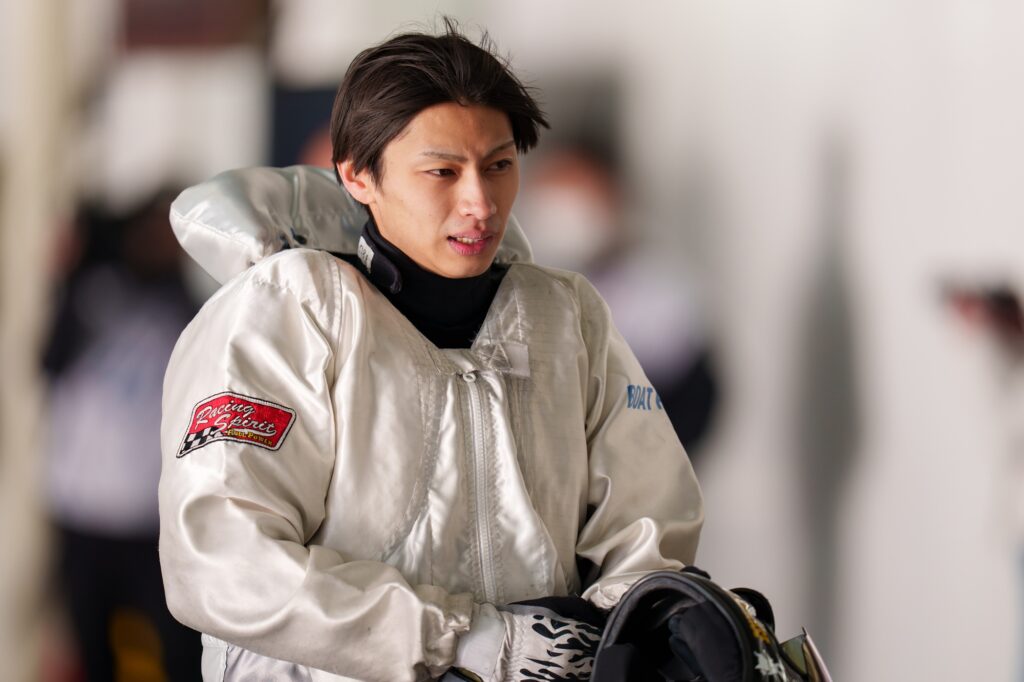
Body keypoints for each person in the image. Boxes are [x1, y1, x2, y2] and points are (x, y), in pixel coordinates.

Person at [159, 21, 703, 681]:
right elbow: (221, 561)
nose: (480, 202)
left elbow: (647, 516)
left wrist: (632, 624)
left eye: (499, 166)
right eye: (442, 171)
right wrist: (468, 641)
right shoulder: (286, 312)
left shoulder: (566, 317)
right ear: (358, 176)